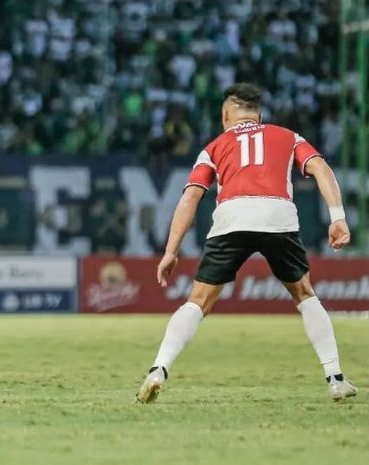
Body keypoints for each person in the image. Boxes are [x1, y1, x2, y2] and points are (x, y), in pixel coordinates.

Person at [137, 83, 357, 403]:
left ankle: (158, 369)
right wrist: (337, 216)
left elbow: (191, 198)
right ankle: (335, 378)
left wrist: (170, 252)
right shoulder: (288, 137)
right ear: (259, 114)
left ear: (226, 113)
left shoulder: (213, 147)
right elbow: (321, 168)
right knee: (304, 294)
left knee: (198, 301)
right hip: (276, 213)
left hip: (232, 216)